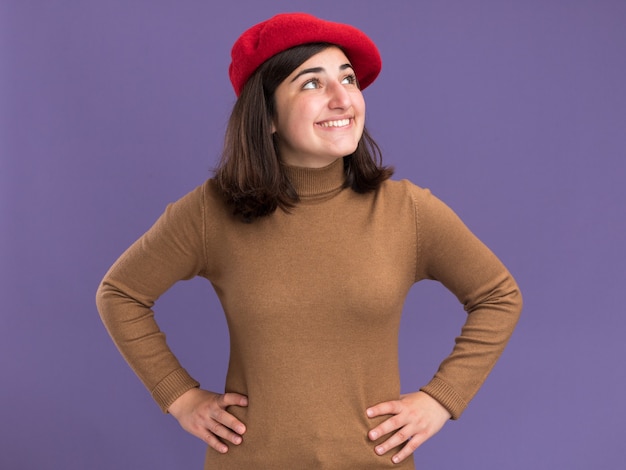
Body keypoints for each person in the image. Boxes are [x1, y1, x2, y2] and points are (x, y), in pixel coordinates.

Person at [96, 12, 522, 469]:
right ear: (269, 117)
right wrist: (180, 397)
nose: (343, 99)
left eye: (349, 79)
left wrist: (441, 399)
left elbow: (498, 296)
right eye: (312, 84)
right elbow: (120, 294)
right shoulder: (211, 211)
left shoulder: (408, 212)